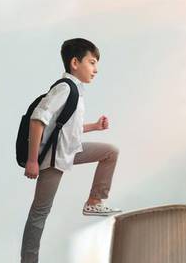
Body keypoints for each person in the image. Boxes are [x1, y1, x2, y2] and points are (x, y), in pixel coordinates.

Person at [20, 38, 121, 263]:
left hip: (70, 150)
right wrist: (32, 160)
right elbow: (38, 120)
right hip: (53, 159)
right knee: (40, 213)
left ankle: (94, 202)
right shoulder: (64, 88)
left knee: (110, 152)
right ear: (75, 63)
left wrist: (94, 126)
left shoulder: (76, 91)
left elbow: (68, 130)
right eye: (92, 62)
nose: (96, 70)